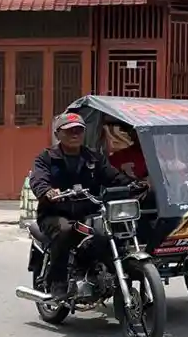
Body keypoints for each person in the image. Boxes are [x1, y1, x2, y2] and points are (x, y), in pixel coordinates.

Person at [29, 112, 136, 300]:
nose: (75, 134)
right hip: (55, 213)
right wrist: (47, 191)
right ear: (58, 133)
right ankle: (58, 281)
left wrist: (132, 185)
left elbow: (112, 176)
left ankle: (103, 274)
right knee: (64, 230)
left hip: (88, 212)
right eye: (70, 131)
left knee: (108, 234)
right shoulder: (46, 158)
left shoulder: (94, 158)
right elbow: (38, 179)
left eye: (79, 130)